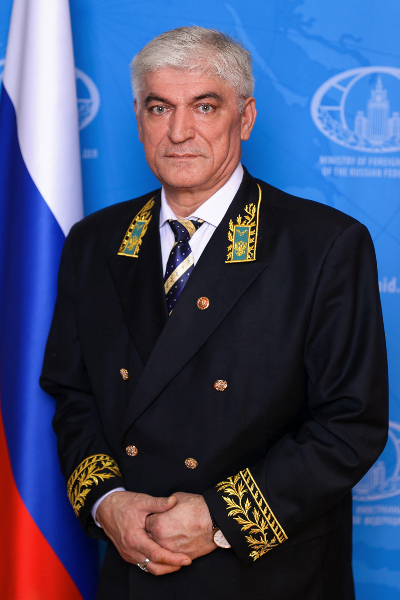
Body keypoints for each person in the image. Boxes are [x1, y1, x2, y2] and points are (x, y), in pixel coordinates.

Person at [40, 26, 388, 600]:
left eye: (204, 107)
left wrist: (219, 518)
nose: (179, 132)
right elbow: (72, 395)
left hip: (271, 577)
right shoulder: (94, 242)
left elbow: (350, 424)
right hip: (135, 567)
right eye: (160, 108)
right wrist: (107, 503)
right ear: (138, 119)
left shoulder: (324, 244)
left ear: (244, 118)